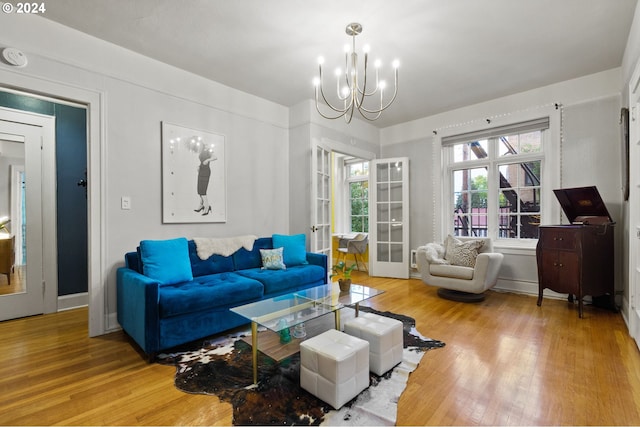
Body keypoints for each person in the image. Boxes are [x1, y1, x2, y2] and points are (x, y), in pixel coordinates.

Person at [194, 145, 217, 215]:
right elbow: (202, 161)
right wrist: (199, 165)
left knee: (203, 190)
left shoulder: (208, 149)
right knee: (199, 190)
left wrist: (208, 160)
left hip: (206, 172)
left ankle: (207, 207)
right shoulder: (200, 150)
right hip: (201, 170)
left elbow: (215, 157)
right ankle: (201, 205)